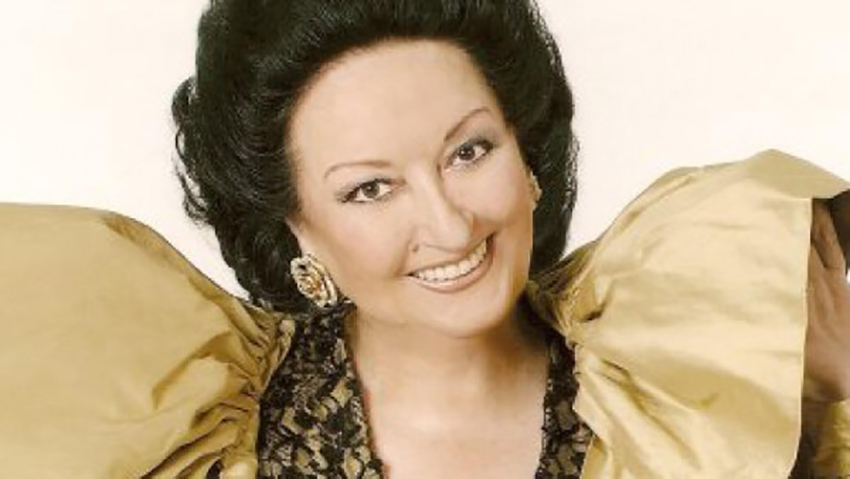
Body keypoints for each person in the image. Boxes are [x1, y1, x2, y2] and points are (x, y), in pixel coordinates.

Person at [167, 0, 850, 477]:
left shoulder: (676, 402)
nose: (450, 224)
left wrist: (843, 388)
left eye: (469, 151)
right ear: (295, 226)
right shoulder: (215, 438)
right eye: (371, 188)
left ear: (525, 152)